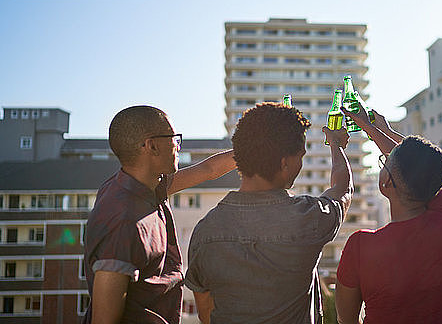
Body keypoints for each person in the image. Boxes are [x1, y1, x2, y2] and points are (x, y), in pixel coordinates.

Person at [184, 102, 353, 324]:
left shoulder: (204, 231)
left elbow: (206, 312)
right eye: (300, 156)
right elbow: (343, 190)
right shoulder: (309, 218)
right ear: (284, 163)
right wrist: (336, 144)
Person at [83, 105, 236, 324]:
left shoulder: (146, 186)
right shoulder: (122, 221)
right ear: (152, 146)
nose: (178, 146)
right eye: (174, 139)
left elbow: (208, 171)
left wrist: (254, 148)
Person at [336, 108, 442, 324]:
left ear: (386, 183)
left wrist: (359, 134)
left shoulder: (360, 247)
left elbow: (346, 320)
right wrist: (371, 129)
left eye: (384, 163)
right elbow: (420, 171)